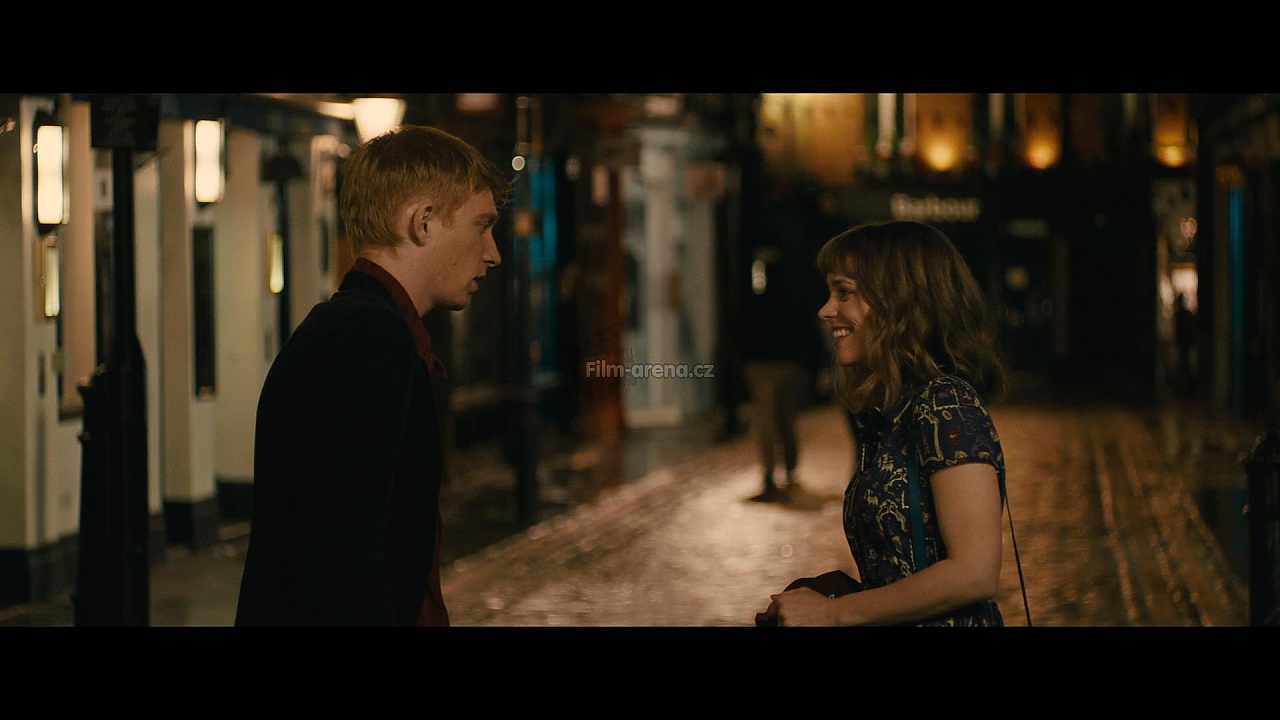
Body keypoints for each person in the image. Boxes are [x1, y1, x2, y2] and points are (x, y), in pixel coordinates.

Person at [235, 125, 511, 626]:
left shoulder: (349, 327)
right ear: (424, 221)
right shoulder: (371, 338)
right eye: (481, 225)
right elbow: (344, 557)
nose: (493, 252)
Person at [759, 220, 1009, 626]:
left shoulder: (946, 403)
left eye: (844, 292)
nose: (825, 310)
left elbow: (974, 572)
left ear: (898, 301)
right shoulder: (894, 410)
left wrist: (833, 613)